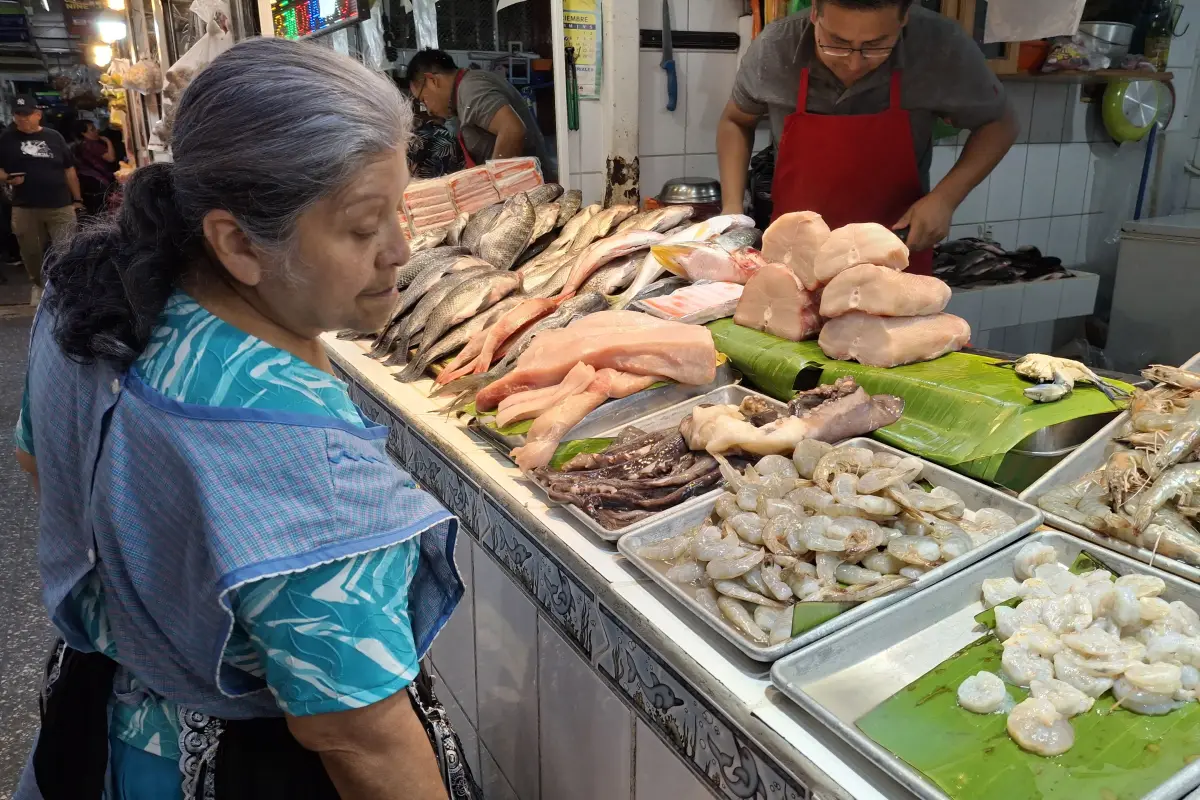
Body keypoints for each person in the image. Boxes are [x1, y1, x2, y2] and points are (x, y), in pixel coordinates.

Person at [12, 37, 462, 800]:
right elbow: (357, 738)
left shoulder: (84, 296)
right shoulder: (295, 453)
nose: (400, 250)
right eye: (362, 227)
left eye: (400, 210)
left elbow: (38, 462)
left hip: (90, 733)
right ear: (236, 241)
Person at [717, 0, 1018, 273]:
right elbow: (735, 121)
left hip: (895, 250)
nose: (854, 63)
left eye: (876, 46)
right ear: (814, 13)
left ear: (904, 19)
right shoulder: (777, 47)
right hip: (795, 252)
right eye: (836, 43)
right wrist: (732, 211)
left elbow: (1000, 123)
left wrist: (946, 198)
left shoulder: (941, 47)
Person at [406, 48, 557, 181]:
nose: (429, 110)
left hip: (531, 193)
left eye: (424, 100)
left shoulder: (471, 90)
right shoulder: (465, 90)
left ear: (432, 80)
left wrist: (493, 187)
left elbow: (512, 129)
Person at [0, 95, 84, 302]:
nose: (22, 119)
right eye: (18, 115)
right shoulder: (6, 139)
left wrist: (78, 199)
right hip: (25, 206)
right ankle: (39, 285)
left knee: (67, 246)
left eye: (26, 115)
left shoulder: (54, 137)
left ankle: (69, 288)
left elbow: (69, 169)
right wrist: (7, 178)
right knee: (31, 251)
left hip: (60, 204)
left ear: (38, 115)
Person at [72, 120, 116, 216]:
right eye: (92, 129)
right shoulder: (91, 145)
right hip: (97, 181)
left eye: (95, 128)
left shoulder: (83, 144)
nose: (96, 130)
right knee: (101, 209)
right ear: (83, 133)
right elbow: (111, 158)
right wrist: (108, 141)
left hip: (91, 181)